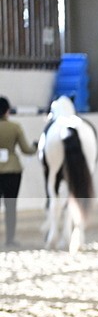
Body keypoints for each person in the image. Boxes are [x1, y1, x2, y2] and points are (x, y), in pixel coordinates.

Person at [0, 96, 37, 247]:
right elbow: (26, 150)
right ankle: (9, 239)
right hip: (12, 171)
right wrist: (36, 146)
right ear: (7, 111)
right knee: (11, 206)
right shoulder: (15, 127)